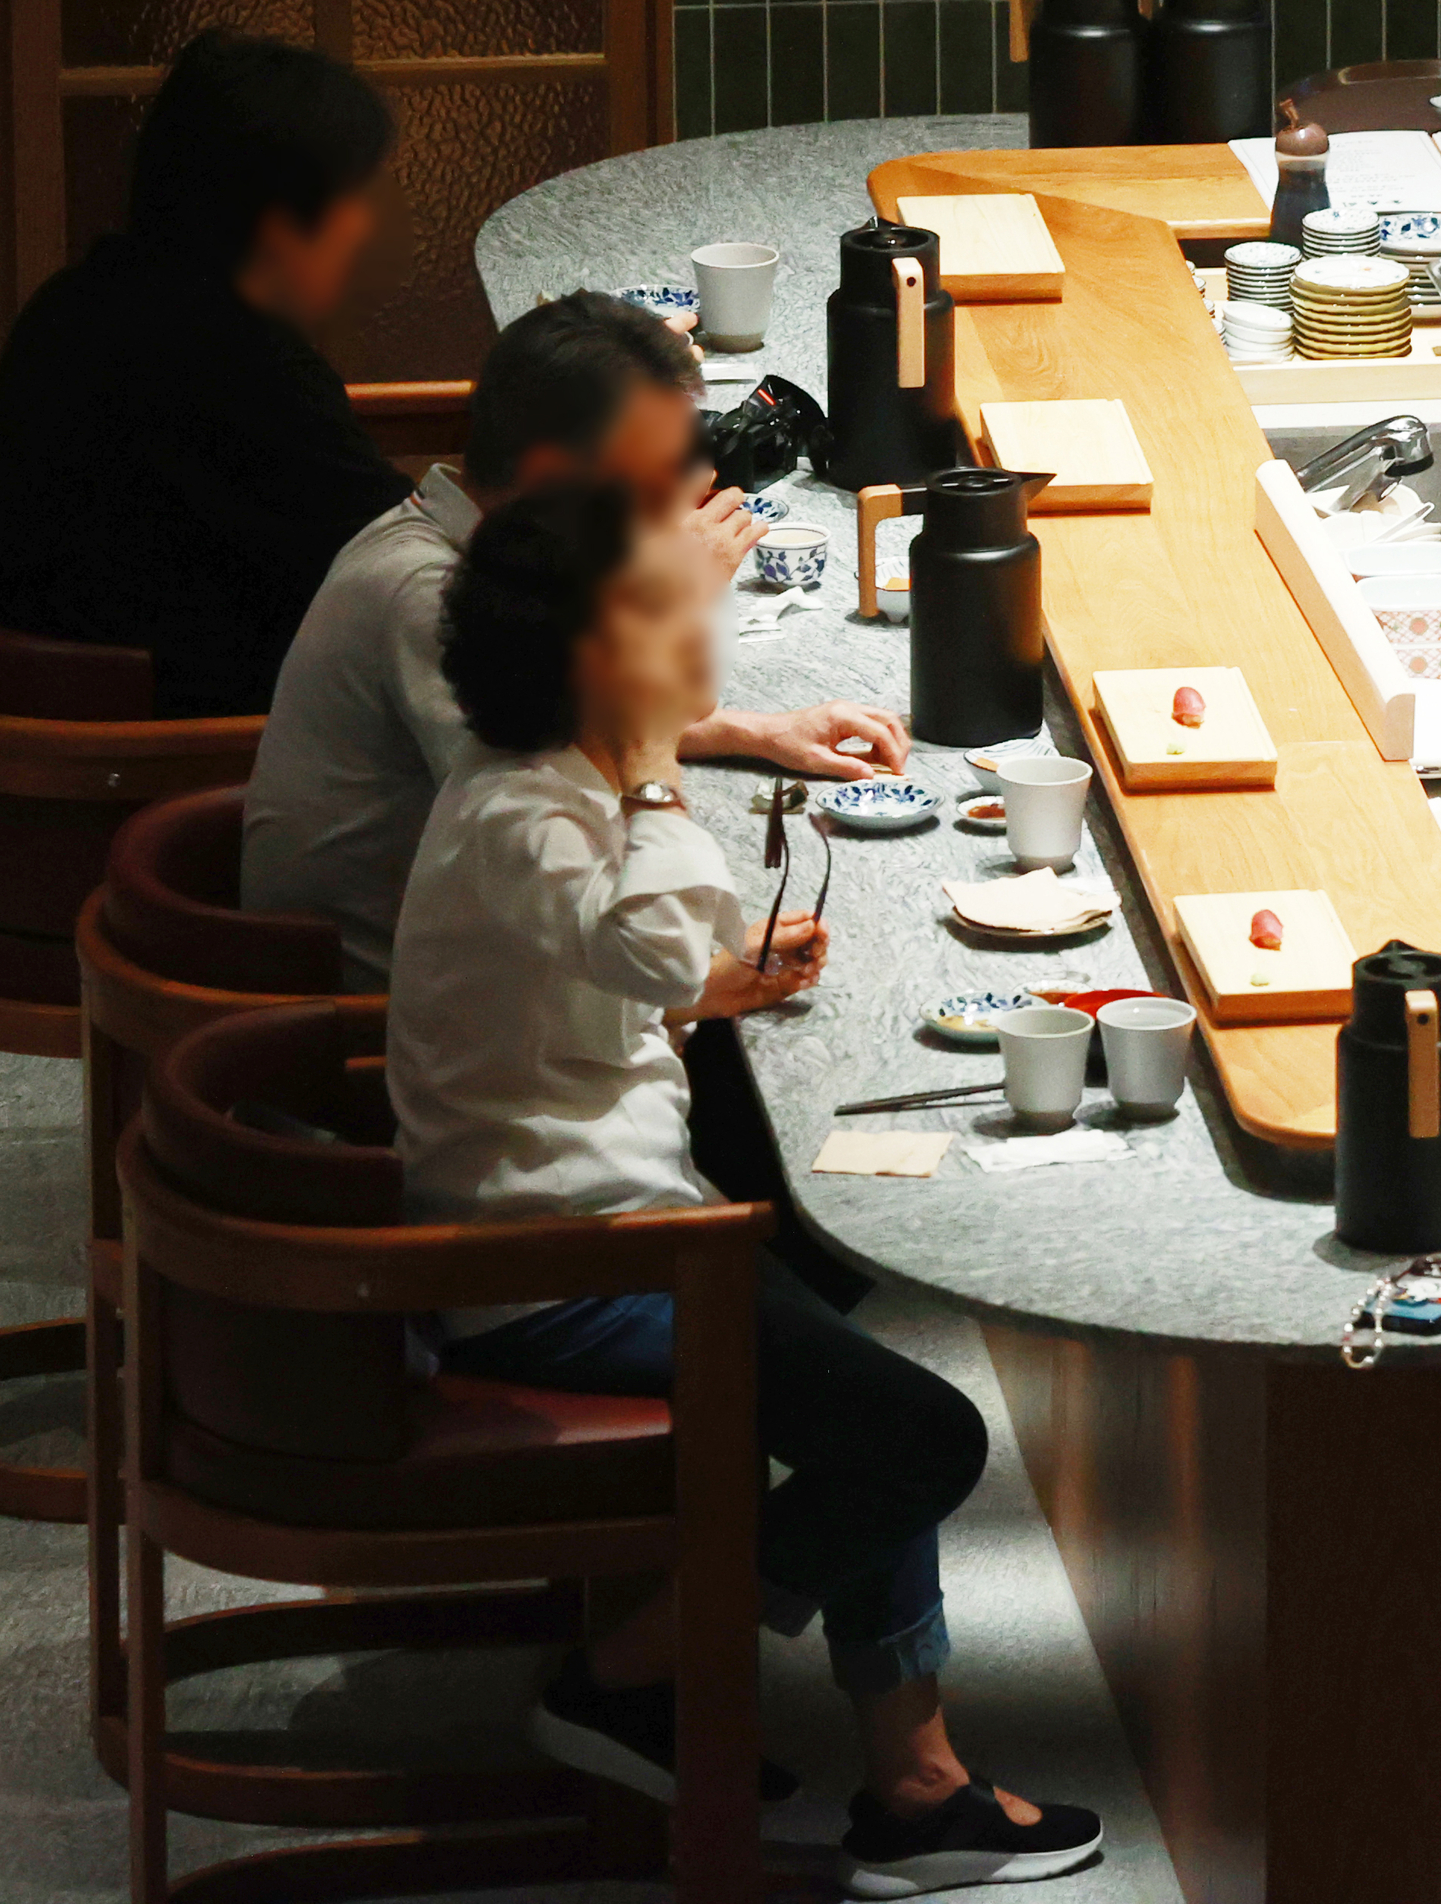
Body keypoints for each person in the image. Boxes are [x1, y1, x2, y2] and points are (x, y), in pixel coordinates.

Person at [397, 479, 1101, 1894]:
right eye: (680, 606)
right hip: (555, 1270)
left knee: (860, 1372)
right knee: (923, 1438)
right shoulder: (536, 814)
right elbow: (649, 939)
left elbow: (621, 968)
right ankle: (632, 1669)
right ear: (609, 661)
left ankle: (914, 1773)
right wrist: (662, 769)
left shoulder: (531, 778)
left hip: (607, 1219)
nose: (711, 625)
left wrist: (715, 974)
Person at [247, 289, 908, 992]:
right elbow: (569, 806)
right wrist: (666, 604)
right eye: (654, 473)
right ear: (549, 485)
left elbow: (577, 718)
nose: (691, 489)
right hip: (374, 1020)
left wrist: (759, 732)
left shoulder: (491, 572)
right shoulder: (440, 601)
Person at [0, 29, 415, 713]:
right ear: (279, 224)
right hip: (183, 765)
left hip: (54, 756)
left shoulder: (74, 304)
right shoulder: (235, 361)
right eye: (355, 197)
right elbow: (409, 564)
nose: (366, 227)